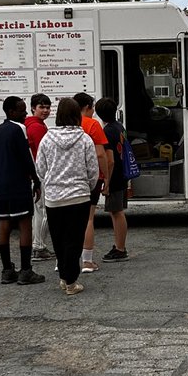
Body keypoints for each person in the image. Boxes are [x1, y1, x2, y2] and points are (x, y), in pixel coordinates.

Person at [36, 97, 99, 296]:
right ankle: (71, 281)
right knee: (74, 240)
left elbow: (40, 168)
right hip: (79, 196)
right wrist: (88, 187)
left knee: (58, 239)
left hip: (54, 197)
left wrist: (50, 183)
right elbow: (93, 170)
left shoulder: (47, 139)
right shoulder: (84, 139)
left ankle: (64, 277)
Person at [0, 95, 44, 284]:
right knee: (24, 224)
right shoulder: (19, 129)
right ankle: (26, 270)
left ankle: (6, 270)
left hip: (0, 183)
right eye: (22, 110)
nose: (25, 113)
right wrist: (36, 181)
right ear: (11, 112)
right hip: (18, 183)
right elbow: (26, 157)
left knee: (4, 222)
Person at [73, 91, 113, 273]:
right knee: (88, 218)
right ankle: (87, 261)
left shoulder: (66, 124)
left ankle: (64, 260)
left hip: (69, 177)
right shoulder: (92, 124)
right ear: (88, 107)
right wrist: (105, 176)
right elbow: (100, 154)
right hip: (90, 177)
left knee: (67, 220)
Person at [94, 96, 129, 261]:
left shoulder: (107, 131)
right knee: (118, 212)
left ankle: (120, 248)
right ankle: (119, 246)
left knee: (116, 212)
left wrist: (106, 182)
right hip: (123, 174)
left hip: (114, 176)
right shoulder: (119, 127)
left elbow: (110, 160)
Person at [25, 93, 53, 260]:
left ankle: (38, 246)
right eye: (42, 107)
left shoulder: (30, 124)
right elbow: (44, 154)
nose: (45, 110)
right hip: (41, 174)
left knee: (38, 212)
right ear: (33, 108)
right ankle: (39, 247)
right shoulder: (37, 127)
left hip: (34, 174)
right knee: (44, 211)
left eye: (48, 107)